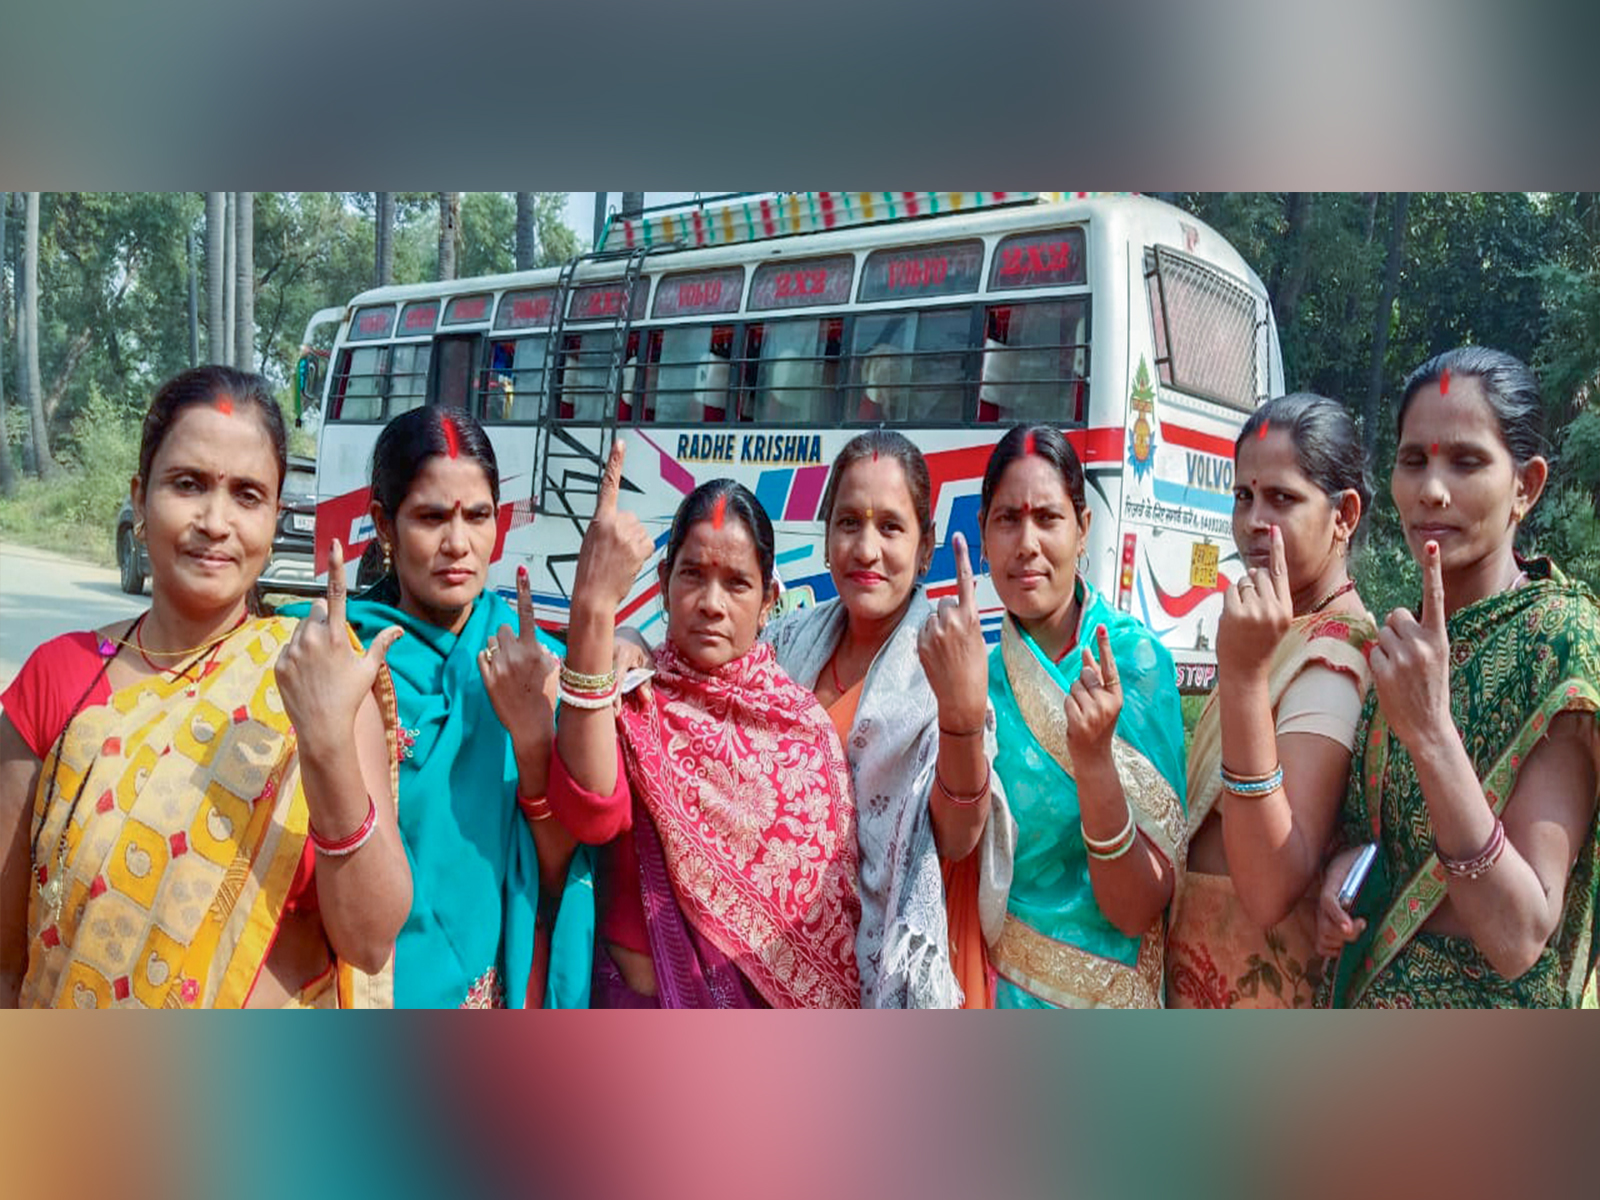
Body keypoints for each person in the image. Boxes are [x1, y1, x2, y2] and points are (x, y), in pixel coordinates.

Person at [0, 365, 410, 1008]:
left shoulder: (320, 675)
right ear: (140, 500)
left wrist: (327, 743)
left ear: (276, 516)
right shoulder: (60, 679)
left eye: (247, 495)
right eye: (188, 484)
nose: (216, 521)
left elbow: (368, 941)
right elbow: (6, 954)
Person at [1316, 347, 1600, 1008]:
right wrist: (1342, 871)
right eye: (1413, 459)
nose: (1431, 488)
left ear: (1525, 486)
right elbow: (1377, 836)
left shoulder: (1561, 642)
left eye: (1466, 461)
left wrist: (1433, 734)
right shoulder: (1404, 643)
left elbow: (1519, 936)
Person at [290, 406, 593, 1009]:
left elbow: (562, 874)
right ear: (383, 523)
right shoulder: (325, 658)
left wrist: (537, 733)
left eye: (477, 517)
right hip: (350, 983)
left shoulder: (537, 664)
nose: (459, 544)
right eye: (431, 517)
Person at [547, 443, 861, 1007]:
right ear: (665, 581)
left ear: (768, 600)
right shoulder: (631, 694)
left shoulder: (802, 732)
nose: (711, 603)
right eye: (693, 575)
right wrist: (595, 610)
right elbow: (590, 809)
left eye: (737, 583)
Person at [762, 429, 1014, 1008]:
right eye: (849, 523)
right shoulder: (784, 644)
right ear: (826, 539)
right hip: (778, 958)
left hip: (884, 975)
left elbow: (956, 837)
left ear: (925, 549)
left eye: (890, 527)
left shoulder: (942, 663)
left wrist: (959, 712)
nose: (866, 549)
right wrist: (626, 639)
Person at [1165, 393, 1376, 1008]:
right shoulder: (1283, 632)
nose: (1255, 520)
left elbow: (1268, 886)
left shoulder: (1334, 655)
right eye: (1243, 497)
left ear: (1345, 515)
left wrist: (1243, 676)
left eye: (1282, 499)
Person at [980, 423, 1187, 1008]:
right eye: (1006, 520)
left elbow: (1138, 907)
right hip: (993, 993)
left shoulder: (1136, 662)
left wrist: (1094, 759)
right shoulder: (979, 679)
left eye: (1047, 518)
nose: (1026, 543)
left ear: (1082, 528)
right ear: (983, 534)